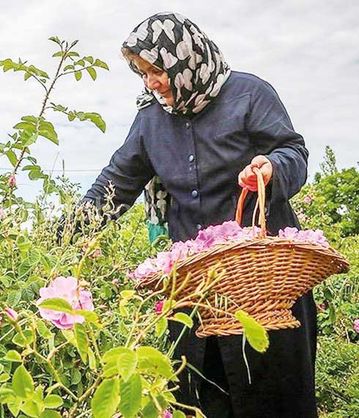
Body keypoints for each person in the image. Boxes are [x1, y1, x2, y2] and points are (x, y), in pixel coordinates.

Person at [83, 12, 317, 418]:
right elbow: (115, 183)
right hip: (195, 292)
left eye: (157, 69)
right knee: (200, 397)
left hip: (264, 285)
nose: (150, 82)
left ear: (184, 57)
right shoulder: (150, 120)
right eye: (141, 73)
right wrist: (67, 235)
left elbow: (293, 153)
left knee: (276, 397)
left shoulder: (248, 94)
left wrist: (271, 167)